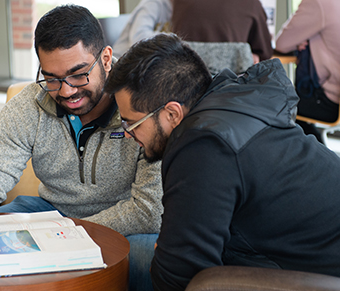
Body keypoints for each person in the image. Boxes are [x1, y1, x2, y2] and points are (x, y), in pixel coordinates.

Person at [0, 5, 163, 291]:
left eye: (78, 74)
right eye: (52, 78)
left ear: (105, 59)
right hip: (50, 213)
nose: (66, 91)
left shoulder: (142, 104)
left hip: (125, 223)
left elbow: (149, 210)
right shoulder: (28, 106)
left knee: (148, 256)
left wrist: (70, 231)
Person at [104, 33, 340, 291]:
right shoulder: (233, 103)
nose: (127, 133)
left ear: (172, 113)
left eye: (132, 123)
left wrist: (169, 254)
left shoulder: (203, 145)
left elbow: (177, 277)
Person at [275, 0, 340, 142]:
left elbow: (281, 43)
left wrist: (300, 40)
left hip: (327, 100)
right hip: (334, 97)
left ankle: (316, 155)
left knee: (271, 104)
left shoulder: (318, 3)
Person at [171, 0, 273, 63]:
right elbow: (265, 53)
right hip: (234, 90)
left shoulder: (179, 2)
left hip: (183, 89)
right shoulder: (251, 3)